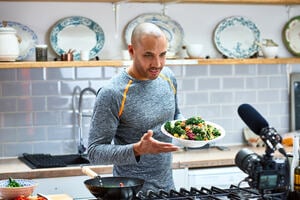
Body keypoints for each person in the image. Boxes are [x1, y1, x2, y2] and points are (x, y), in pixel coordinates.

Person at [87, 22, 183, 193]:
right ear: (131, 51)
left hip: (168, 191)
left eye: (162, 54)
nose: (157, 64)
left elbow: (176, 115)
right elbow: (94, 152)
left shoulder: (168, 76)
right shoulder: (113, 93)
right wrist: (137, 149)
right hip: (130, 192)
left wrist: (188, 129)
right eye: (148, 55)